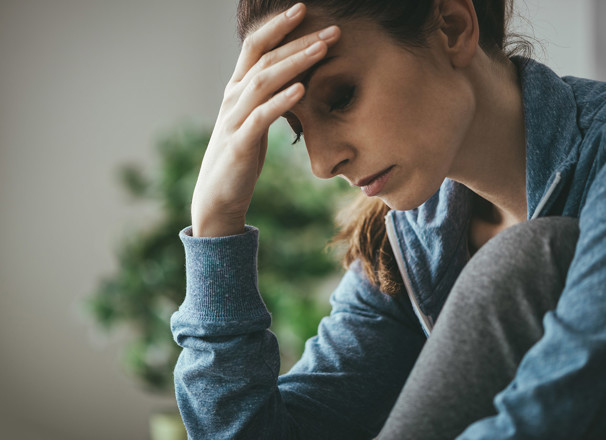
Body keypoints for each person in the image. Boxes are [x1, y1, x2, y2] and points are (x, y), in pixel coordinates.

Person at [170, 0, 606, 438]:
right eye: (298, 129)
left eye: (341, 96)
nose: (322, 164)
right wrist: (216, 225)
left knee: (526, 258)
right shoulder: (407, 243)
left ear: (452, 28)